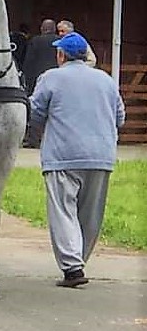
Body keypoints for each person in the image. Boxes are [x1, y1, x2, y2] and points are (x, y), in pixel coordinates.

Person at [29, 32, 125, 288]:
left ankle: (72, 267)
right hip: (101, 156)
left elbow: (35, 113)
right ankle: (79, 260)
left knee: (63, 211)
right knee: (90, 214)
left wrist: (36, 133)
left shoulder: (51, 78)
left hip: (63, 155)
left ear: (61, 55)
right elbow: (120, 117)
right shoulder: (106, 80)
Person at [21, 18, 58, 96]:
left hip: (38, 80)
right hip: (57, 79)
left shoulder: (35, 41)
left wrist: (27, 82)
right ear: (54, 29)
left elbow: (28, 62)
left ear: (42, 29)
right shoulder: (61, 41)